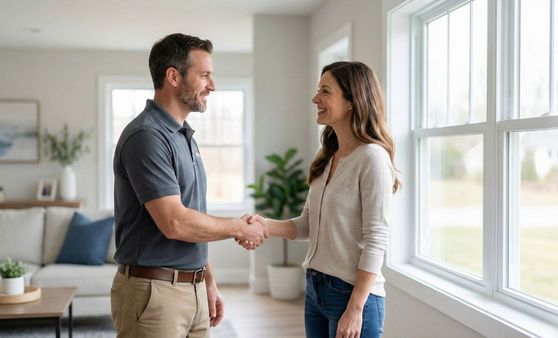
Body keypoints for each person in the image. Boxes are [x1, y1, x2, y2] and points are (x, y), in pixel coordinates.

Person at [110, 33, 268, 338]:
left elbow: (192, 216)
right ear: (173, 76)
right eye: (204, 75)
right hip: (154, 295)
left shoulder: (182, 137)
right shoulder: (147, 136)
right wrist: (239, 227)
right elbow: (175, 222)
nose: (213, 85)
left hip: (190, 290)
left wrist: (206, 280)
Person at [244, 61, 400, 338]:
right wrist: (264, 224)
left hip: (352, 295)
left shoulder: (372, 158)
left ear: (353, 100)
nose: (315, 99)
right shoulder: (328, 157)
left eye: (325, 91)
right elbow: (307, 224)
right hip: (316, 289)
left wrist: (355, 308)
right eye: (318, 91)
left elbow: (376, 239)